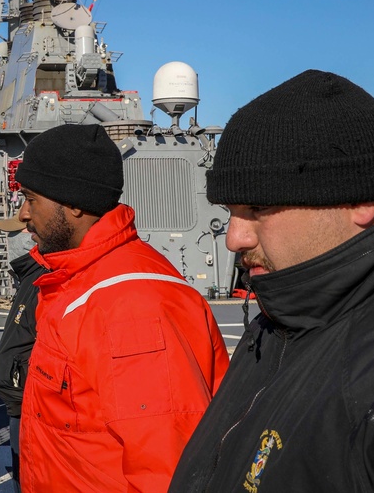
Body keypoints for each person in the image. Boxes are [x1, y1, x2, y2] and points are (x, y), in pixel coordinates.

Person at [170, 70, 374, 493]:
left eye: (257, 207)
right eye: (230, 211)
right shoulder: (288, 312)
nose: (235, 238)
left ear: (361, 199)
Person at [15, 124, 229, 492]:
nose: (22, 213)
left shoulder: (130, 305)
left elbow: (167, 469)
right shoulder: (80, 281)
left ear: (73, 201)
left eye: (31, 198)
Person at [0, 214, 44, 491]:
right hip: (18, 405)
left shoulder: (40, 282)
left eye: (17, 233)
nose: (11, 242)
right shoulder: (28, 279)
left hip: (29, 408)